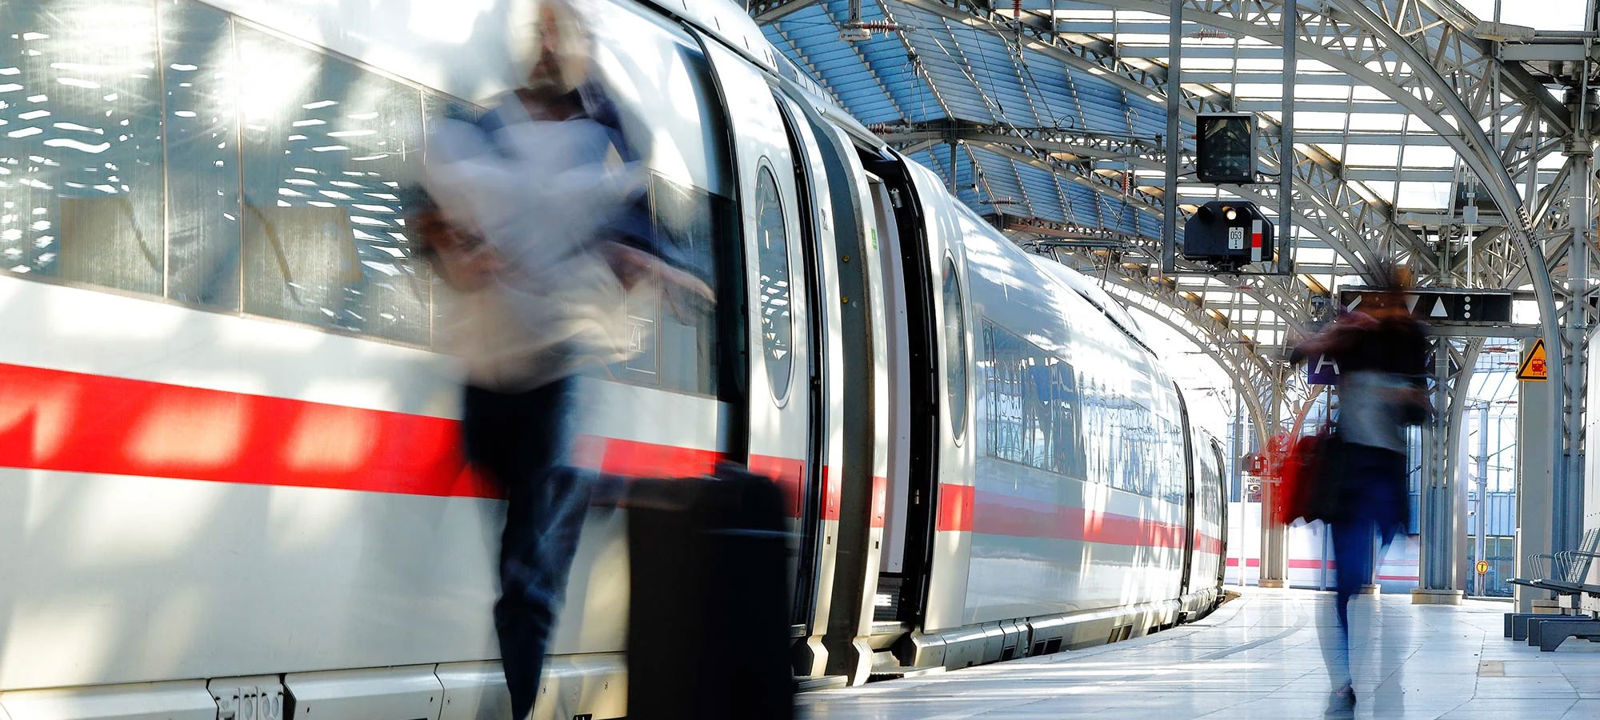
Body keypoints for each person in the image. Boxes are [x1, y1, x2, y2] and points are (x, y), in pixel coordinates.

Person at [406, 2, 707, 717]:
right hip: (486, 369)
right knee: (514, 517)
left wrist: (646, 261)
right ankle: (586, 486)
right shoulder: (482, 129)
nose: (544, 47)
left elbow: (657, 236)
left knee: (525, 569)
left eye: (558, 34)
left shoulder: (605, 139)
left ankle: (517, 705)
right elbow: (424, 216)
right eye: (536, 33)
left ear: (580, 50)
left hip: (555, 367)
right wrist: (454, 245)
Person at [1295, 263, 1428, 713]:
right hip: (1358, 473)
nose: (1396, 307)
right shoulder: (1360, 335)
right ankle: (1346, 678)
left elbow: (1420, 409)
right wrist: (1324, 338)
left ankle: (1352, 675)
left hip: (1378, 471)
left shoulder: (1409, 339)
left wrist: (1405, 398)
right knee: (1347, 580)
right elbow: (1299, 352)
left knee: (1355, 576)